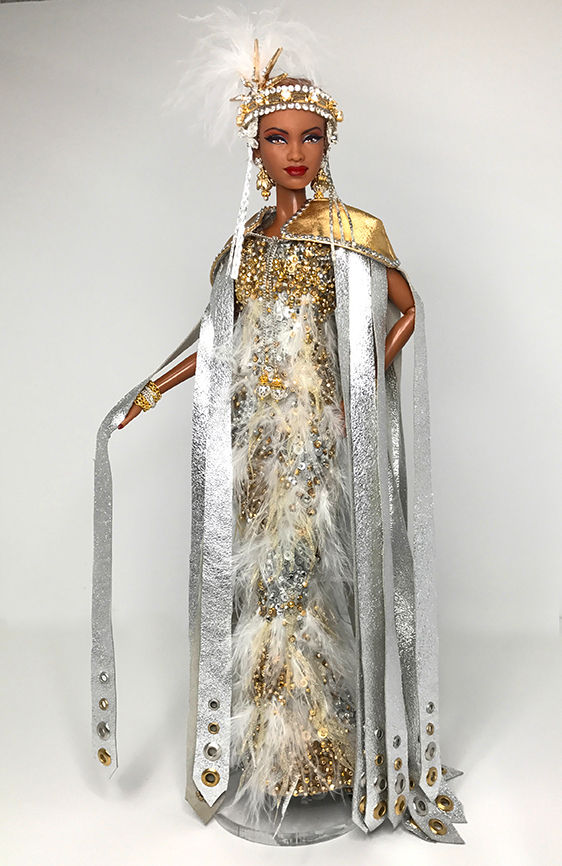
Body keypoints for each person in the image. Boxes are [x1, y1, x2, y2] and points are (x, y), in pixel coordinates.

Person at [91, 20, 467, 848]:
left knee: (310, 577)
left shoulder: (352, 231)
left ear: (328, 144)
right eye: (276, 138)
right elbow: (218, 339)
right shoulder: (243, 246)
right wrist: (150, 391)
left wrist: (360, 388)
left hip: (318, 439)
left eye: (309, 138)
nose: (294, 153)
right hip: (254, 442)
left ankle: (325, 750)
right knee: (264, 588)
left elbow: (407, 309)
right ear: (255, 149)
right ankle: (278, 753)